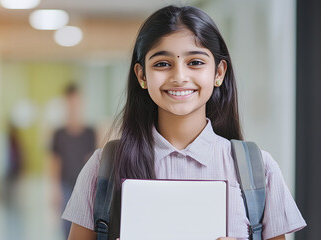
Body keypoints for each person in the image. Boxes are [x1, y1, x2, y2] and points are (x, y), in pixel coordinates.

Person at [62, 5, 306, 240]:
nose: (179, 77)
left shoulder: (259, 170)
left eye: (196, 62)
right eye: (162, 64)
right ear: (141, 75)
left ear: (219, 73)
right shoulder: (103, 167)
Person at [51, 83, 96, 239]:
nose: (73, 106)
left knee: (83, 224)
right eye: (70, 102)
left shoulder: (90, 132)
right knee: (66, 225)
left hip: (83, 185)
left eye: (76, 102)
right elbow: (55, 162)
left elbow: (93, 162)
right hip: (65, 184)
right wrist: (55, 189)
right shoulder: (59, 133)